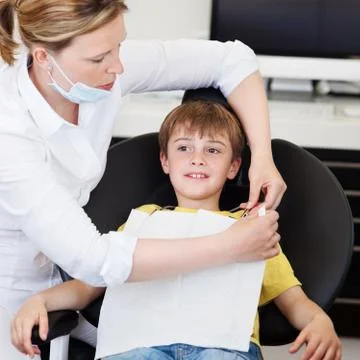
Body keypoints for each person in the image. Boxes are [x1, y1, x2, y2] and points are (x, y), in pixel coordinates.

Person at [0, 0, 285, 356]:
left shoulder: (103, 65)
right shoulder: (9, 131)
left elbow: (233, 60)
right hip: (16, 284)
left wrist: (262, 155)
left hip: (81, 277)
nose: (118, 66)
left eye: (118, 46)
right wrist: (230, 245)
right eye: (99, 58)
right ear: (43, 58)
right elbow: (96, 260)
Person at [12, 101, 341, 360]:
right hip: (135, 349)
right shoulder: (141, 222)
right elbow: (88, 285)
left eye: (212, 150)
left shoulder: (253, 232)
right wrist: (40, 300)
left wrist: (318, 323)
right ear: (165, 161)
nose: (197, 159)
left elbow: (295, 302)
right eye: (184, 148)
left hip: (221, 351)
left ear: (234, 166)